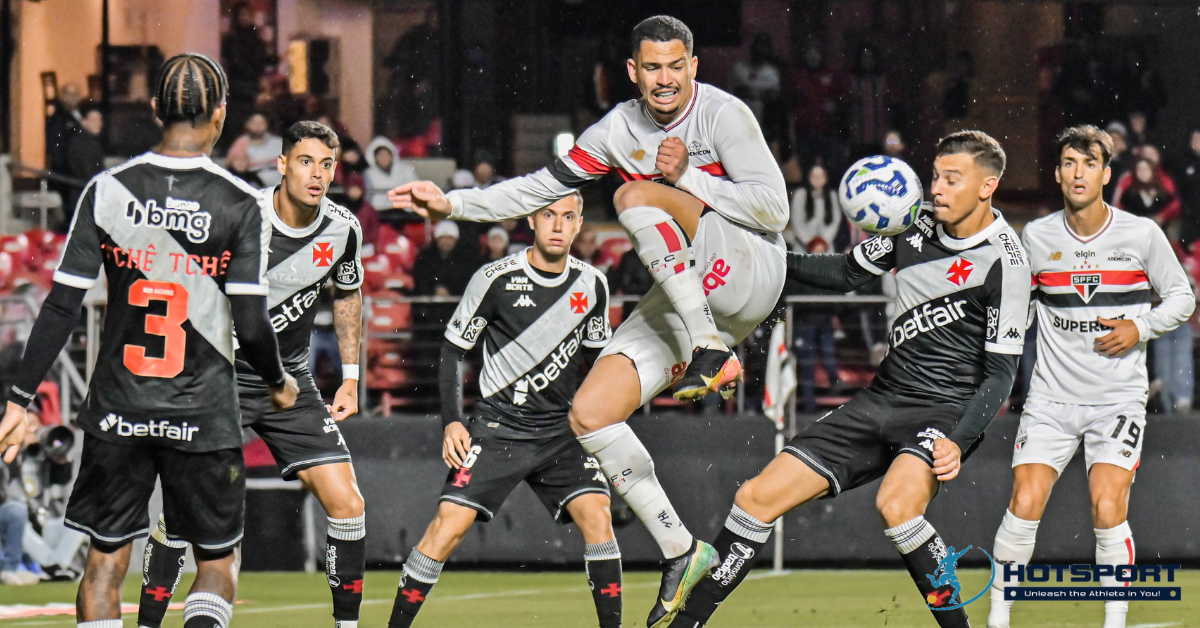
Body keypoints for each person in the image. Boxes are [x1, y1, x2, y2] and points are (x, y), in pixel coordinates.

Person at [389, 16, 789, 626]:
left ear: (693, 67)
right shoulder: (615, 130)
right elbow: (537, 189)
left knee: (631, 196)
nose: (664, 79)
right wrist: (454, 203)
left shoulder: (724, 115)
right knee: (590, 413)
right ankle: (682, 549)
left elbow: (774, 210)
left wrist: (686, 177)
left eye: (675, 66)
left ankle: (709, 347)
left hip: (753, 266)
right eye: (651, 67)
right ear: (632, 71)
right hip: (696, 293)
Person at [669, 131, 1030, 628]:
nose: (936, 188)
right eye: (934, 176)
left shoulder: (1008, 262)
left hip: (942, 413)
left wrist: (959, 439)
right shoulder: (911, 223)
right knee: (754, 498)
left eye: (952, 179)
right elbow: (843, 273)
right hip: (881, 399)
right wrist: (766, 263)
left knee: (897, 505)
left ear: (987, 186)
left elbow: (1002, 373)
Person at [0, 53, 299, 628]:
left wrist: (19, 398)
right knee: (217, 562)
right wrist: (278, 381)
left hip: (119, 408)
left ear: (156, 109)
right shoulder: (240, 204)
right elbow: (252, 322)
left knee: (105, 564)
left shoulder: (107, 190)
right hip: (202, 411)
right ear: (221, 112)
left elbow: (61, 306)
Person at [135, 121, 367, 628]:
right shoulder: (241, 216)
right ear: (281, 164)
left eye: (326, 164)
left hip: (291, 380)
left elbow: (348, 294)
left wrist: (350, 376)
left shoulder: (344, 228)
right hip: (220, 377)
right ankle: (148, 622)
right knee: (182, 517)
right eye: (305, 161)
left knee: (348, 503)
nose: (317, 174)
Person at [987, 125, 1194, 628]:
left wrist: (1139, 327)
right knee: (1025, 500)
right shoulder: (1036, 237)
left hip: (1116, 399)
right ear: (1058, 175)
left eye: (1089, 163)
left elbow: (1183, 298)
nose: (1079, 173)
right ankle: (996, 620)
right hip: (1051, 400)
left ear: (1106, 174)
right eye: (1069, 163)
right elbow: (1021, 311)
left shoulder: (1141, 234)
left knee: (1106, 505)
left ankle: (1113, 622)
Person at [387, 193, 621, 628]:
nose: (557, 225)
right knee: (446, 527)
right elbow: (453, 350)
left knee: (598, 518)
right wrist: (452, 421)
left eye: (567, 217)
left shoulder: (593, 284)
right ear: (532, 219)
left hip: (560, 432)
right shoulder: (495, 278)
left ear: (579, 224)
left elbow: (600, 364)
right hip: (499, 428)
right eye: (548, 215)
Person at [63, 103, 107, 225]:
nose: (98, 124)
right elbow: (88, 172)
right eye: (93, 120)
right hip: (84, 195)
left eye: (99, 120)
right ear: (83, 121)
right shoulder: (83, 144)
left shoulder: (88, 142)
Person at [788, 163, 844, 252]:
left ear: (826, 178)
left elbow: (836, 221)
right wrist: (810, 242)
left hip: (825, 246)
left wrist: (823, 241)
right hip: (803, 246)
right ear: (809, 177)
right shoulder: (800, 194)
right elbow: (796, 220)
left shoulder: (832, 195)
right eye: (814, 176)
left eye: (820, 176)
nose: (817, 179)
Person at [226, 112, 283, 187]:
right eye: (254, 123)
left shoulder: (278, 143)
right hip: (255, 187)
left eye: (261, 123)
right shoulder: (241, 144)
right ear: (247, 124)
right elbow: (237, 168)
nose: (257, 126)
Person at [1117, 157, 1180, 223]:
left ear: (1152, 171)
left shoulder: (1163, 193)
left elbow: (1173, 209)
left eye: (1146, 169)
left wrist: (1161, 217)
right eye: (1139, 169)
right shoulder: (1129, 194)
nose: (1143, 172)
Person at [365, 137, 418, 211]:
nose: (384, 158)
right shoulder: (368, 174)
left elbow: (415, 191)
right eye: (380, 155)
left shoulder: (406, 170)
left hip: (405, 212)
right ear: (375, 158)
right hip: (380, 212)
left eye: (386, 154)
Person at [45, 83, 83, 175]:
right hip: (67, 169)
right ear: (62, 97)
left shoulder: (83, 113)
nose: (73, 98)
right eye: (69, 94)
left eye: (76, 94)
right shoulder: (57, 119)